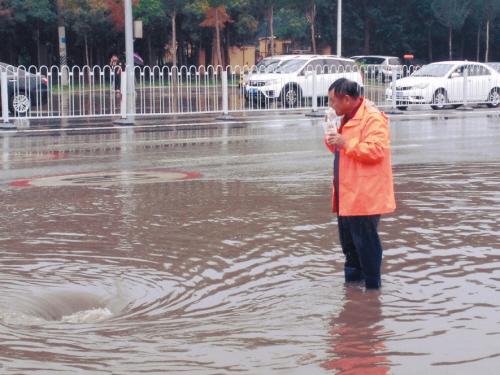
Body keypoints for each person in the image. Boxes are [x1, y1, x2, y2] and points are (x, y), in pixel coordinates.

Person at [324, 78, 396, 290]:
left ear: (346, 99)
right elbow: (341, 151)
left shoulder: (372, 118)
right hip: (346, 194)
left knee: (366, 245)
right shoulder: (345, 116)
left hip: (364, 196)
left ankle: (373, 291)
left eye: (332, 101)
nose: (331, 106)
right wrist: (332, 139)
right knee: (349, 247)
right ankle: (353, 291)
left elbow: (376, 151)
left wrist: (344, 142)